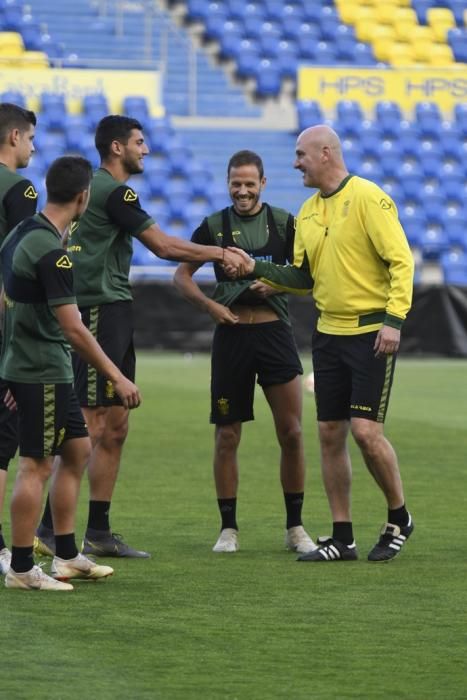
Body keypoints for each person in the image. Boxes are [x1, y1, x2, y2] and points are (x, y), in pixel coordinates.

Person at [34, 115, 244, 559]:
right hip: (95, 311)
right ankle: (50, 529)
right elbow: (164, 247)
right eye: (139, 142)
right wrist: (222, 253)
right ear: (116, 147)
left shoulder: (97, 189)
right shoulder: (113, 191)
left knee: (115, 426)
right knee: (89, 425)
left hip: (113, 309)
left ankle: (99, 530)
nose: (145, 150)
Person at [225, 126, 415, 563]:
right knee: (330, 434)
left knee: (367, 433)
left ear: (325, 153)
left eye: (300, 155)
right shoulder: (308, 211)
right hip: (328, 335)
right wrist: (260, 269)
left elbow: (401, 260)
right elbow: (304, 278)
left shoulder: (369, 197)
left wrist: (393, 321)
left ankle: (398, 516)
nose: (295, 163)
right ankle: (342, 537)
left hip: (371, 334)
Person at [0, 156, 142, 590]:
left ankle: (65, 554)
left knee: (78, 450)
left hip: (42, 366)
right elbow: (74, 327)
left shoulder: (22, 233)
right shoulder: (52, 253)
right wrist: (116, 376)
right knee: (36, 466)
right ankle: (22, 569)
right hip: (41, 367)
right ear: (83, 198)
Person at [174, 150, 316, 554]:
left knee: (291, 433)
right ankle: (228, 529)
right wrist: (211, 305)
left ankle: (295, 528)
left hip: (275, 337)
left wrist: (278, 283)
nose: (242, 191)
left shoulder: (285, 223)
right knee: (227, 436)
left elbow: (308, 275)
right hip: (232, 337)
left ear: (263, 184)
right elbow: (181, 276)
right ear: (228, 183)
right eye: (236, 183)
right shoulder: (214, 226)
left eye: (249, 184)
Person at [0, 103, 38, 576]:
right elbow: (17, 264)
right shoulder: (19, 188)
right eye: (30, 138)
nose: (32, 147)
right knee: (3, 434)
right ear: (13, 137)